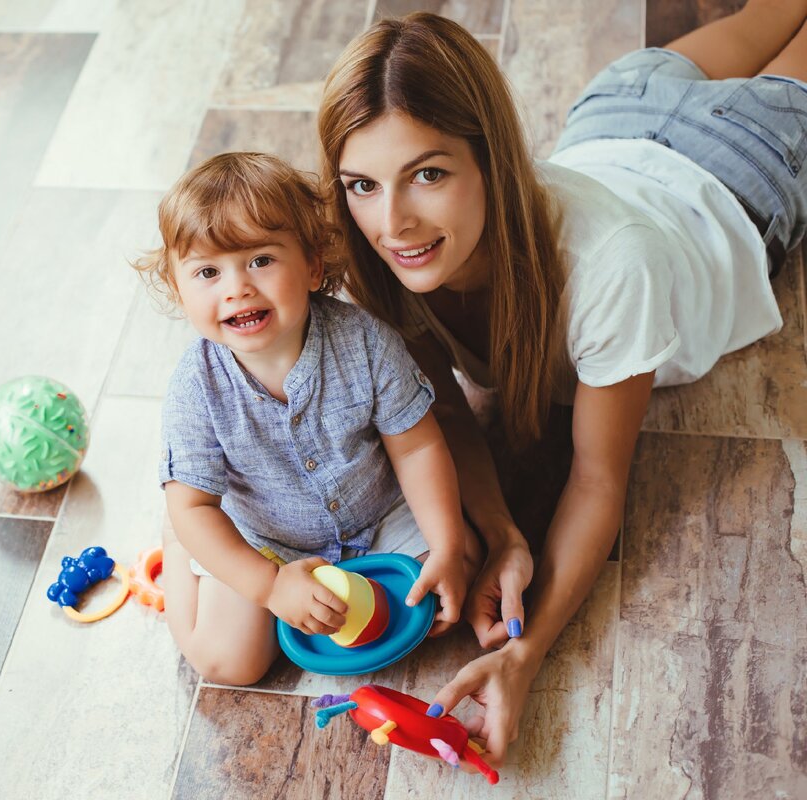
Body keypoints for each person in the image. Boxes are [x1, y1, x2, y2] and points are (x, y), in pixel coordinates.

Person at [317, 4, 806, 767]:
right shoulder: (378, 258)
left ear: (491, 160)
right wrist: (502, 530)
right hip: (618, 112)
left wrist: (527, 651)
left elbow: (599, 479)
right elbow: (439, 406)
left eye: (429, 174)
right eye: (363, 183)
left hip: (737, 174)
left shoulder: (613, 268)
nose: (394, 223)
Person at [131, 152, 481, 685]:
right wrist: (270, 587)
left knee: (455, 576)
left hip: (376, 514)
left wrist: (449, 546)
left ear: (313, 266)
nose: (237, 288)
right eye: (207, 272)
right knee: (229, 663)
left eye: (261, 260)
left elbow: (417, 448)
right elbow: (200, 508)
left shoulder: (365, 342)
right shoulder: (194, 388)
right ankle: (181, 551)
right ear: (180, 292)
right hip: (261, 539)